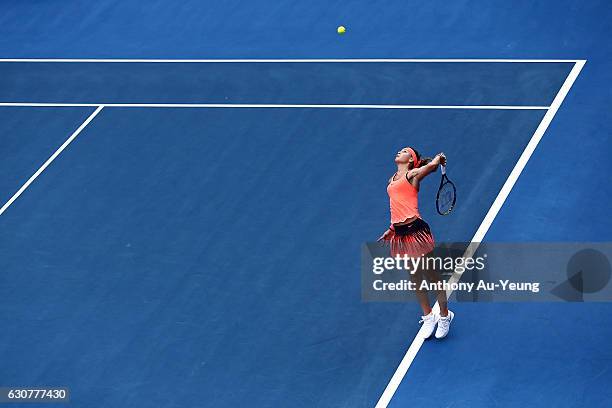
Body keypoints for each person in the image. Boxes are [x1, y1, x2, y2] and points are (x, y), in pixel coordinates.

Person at [378, 147, 454, 339]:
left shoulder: (412, 175)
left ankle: (445, 316)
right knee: (415, 277)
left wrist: (438, 158)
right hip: (401, 234)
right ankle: (428, 316)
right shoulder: (392, 179)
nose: (398, 152)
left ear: (411, 160)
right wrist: (392, 229)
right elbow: (396, 207)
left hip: (416, 231)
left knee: (432, 275)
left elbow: (432, 167)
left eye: (404, 151)